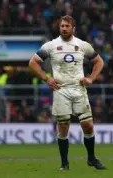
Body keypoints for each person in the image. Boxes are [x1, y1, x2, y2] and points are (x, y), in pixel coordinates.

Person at [29, 15, 106, 170]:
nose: (63, 28)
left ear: (73, 28)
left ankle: (91, 158)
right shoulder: (51, 46)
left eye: (66, 26)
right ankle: (65, 164)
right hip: (61, 90)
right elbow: (33, 63)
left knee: (88, 125)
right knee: (63, 127)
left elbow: (99, 61)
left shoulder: (83, 45)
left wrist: (91, 78)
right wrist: (46, 78)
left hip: (79, 89)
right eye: (62, 26)